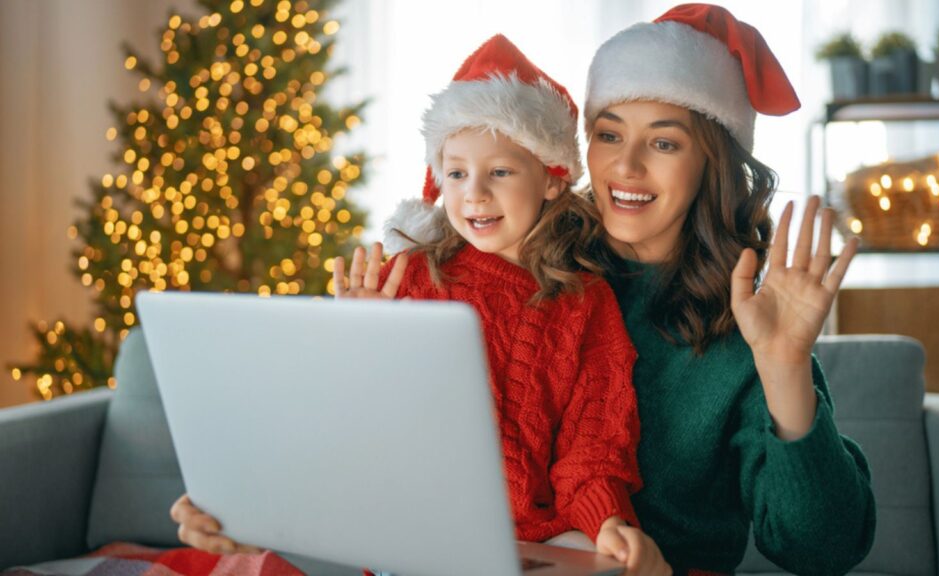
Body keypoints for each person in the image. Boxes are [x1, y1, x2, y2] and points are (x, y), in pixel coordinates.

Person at [172, 34, 670, 575]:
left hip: (530, 541)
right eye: (456, 173)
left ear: (552, 178)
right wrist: (357, 347)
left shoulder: (585, 302)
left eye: (499, 172)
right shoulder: (403, 279)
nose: (473, 193)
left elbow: (592, 447)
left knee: (596, 559)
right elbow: (329, 424)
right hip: (412, 538)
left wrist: (607, 524)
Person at [579, 4, 876, 575]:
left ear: (710, 164)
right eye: (608, 134)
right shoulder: (542, 279)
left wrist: (785, 365)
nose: (627, 165)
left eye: (664, 143)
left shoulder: (747, 328)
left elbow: (824, 549)